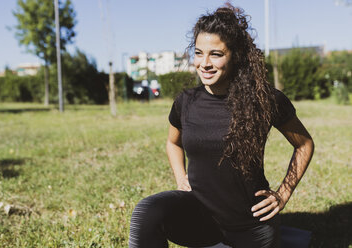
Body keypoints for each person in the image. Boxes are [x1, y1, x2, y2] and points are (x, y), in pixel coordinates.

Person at [129, 3, 314, 248]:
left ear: (235, 55)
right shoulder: (186, 101)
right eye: (198, 53)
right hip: (199, 217)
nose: (204, 63)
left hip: (250, 222)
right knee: (147, 211)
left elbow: (304, 144)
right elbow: (173, 142)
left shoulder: (265, 100)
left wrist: (283, 193)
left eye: (215, 54)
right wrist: (180, 176)